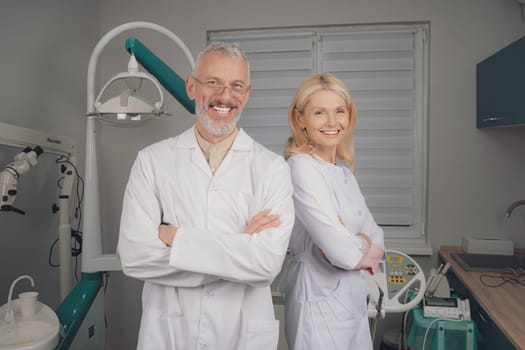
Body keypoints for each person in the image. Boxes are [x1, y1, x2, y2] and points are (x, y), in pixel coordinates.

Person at [117, 42, 295, 350]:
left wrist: (175, 237)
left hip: (241, 332)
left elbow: (266, 265)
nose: (225, 96)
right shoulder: (152, 161)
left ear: (247, 93)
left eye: (236, 86)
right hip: (171, 331)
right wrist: (239, 249)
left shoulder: (271, 168)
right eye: (213, 82)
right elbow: (135, 257)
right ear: (191, 86)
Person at [277, 73, 385, 350]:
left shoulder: (344, 174)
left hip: (352, 300)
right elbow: (342, 254)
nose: (332, 122)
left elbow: (378, 242)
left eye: (339, 111)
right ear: (300, 119)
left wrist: (355, 242)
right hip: (317, 302)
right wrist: (357, 243)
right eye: (319, 113)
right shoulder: (300, 167)